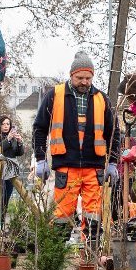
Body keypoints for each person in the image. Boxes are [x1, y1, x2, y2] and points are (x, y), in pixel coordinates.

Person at [32, 51, 119, 245]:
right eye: (80, 77)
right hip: (66, 166)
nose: (85, 82)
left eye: (88, 78)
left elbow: (114, 133)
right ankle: (57, 258)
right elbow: (40, 127)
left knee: (94, 216)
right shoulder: (54, 95)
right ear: (71, 75)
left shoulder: (102, 99)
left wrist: (112, 162)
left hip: (93, 167)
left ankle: (90, 257)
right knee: (62, 214)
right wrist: (40, 158)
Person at [0, 114, 26, 221]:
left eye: (8, 124)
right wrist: (7, 139)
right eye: (3, 124)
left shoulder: (13, 138)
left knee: (6, 199)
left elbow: (18, 153)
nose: (6, 126)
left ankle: (1, 225)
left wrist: (20, 142)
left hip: (10, 172)